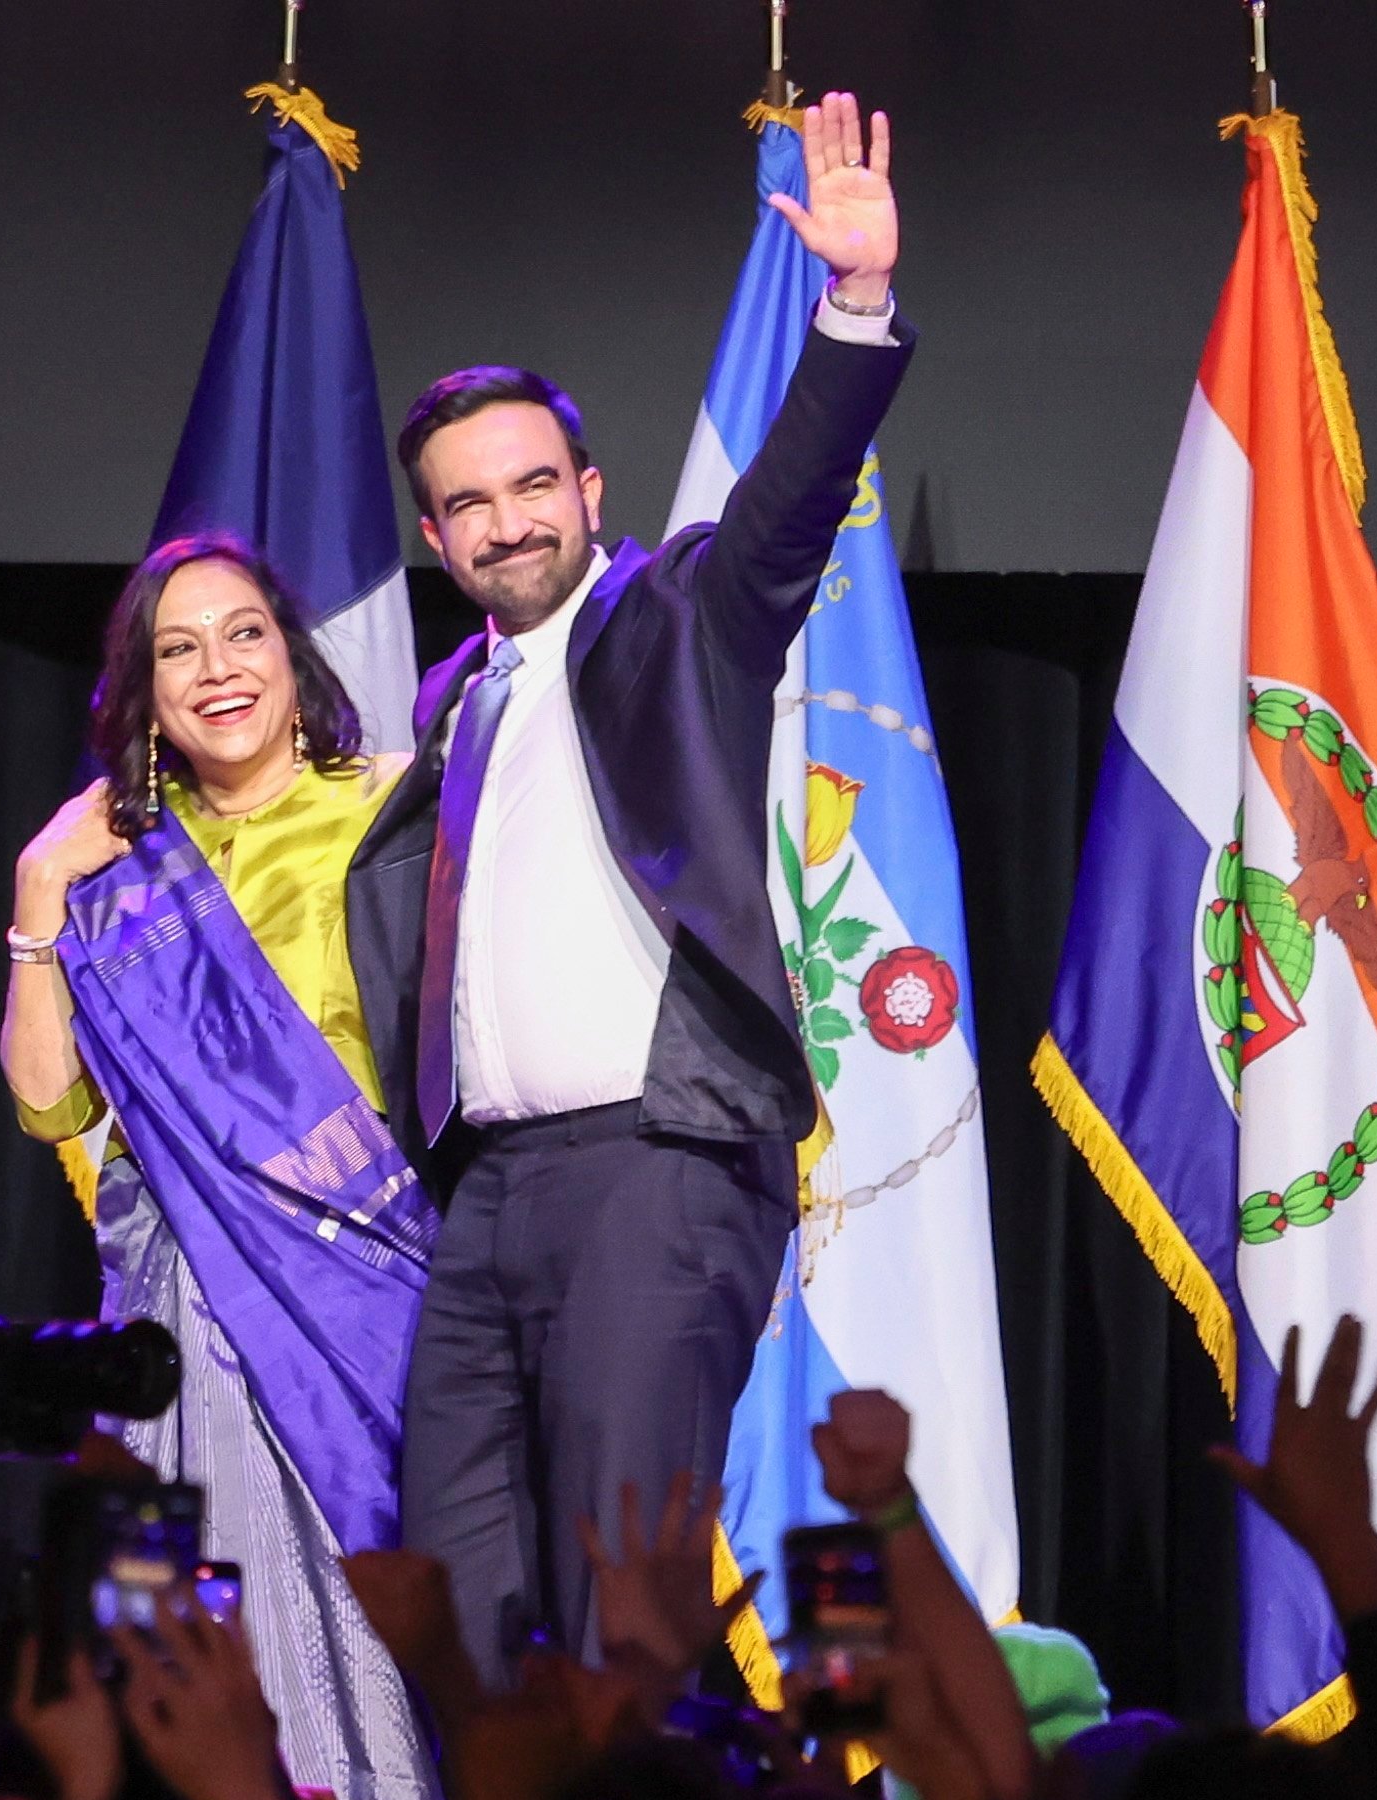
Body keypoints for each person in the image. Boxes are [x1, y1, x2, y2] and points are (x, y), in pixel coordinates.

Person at [342, 88, 916, 1685]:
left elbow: (789, 505)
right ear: (437, 537)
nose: (506, 519)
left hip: (654, 1174)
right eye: (468, 501)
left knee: (621, 1601)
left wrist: (855, 304)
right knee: (450, 1599)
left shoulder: (679, 620)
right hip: (488, 1195)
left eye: (534, 485)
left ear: (589, 494)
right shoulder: (452, 705)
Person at [3, 533, 439, 1800]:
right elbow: (48, 1107)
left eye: (243, 633)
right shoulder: (112, 864)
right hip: (183, 1279)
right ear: (144, 692)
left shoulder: (399, 807)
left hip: (366, 1281)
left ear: (294, 662)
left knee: (372, 1582)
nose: (216, 670)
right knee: (212, 1570)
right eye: (175, 649)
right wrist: (36, 902)